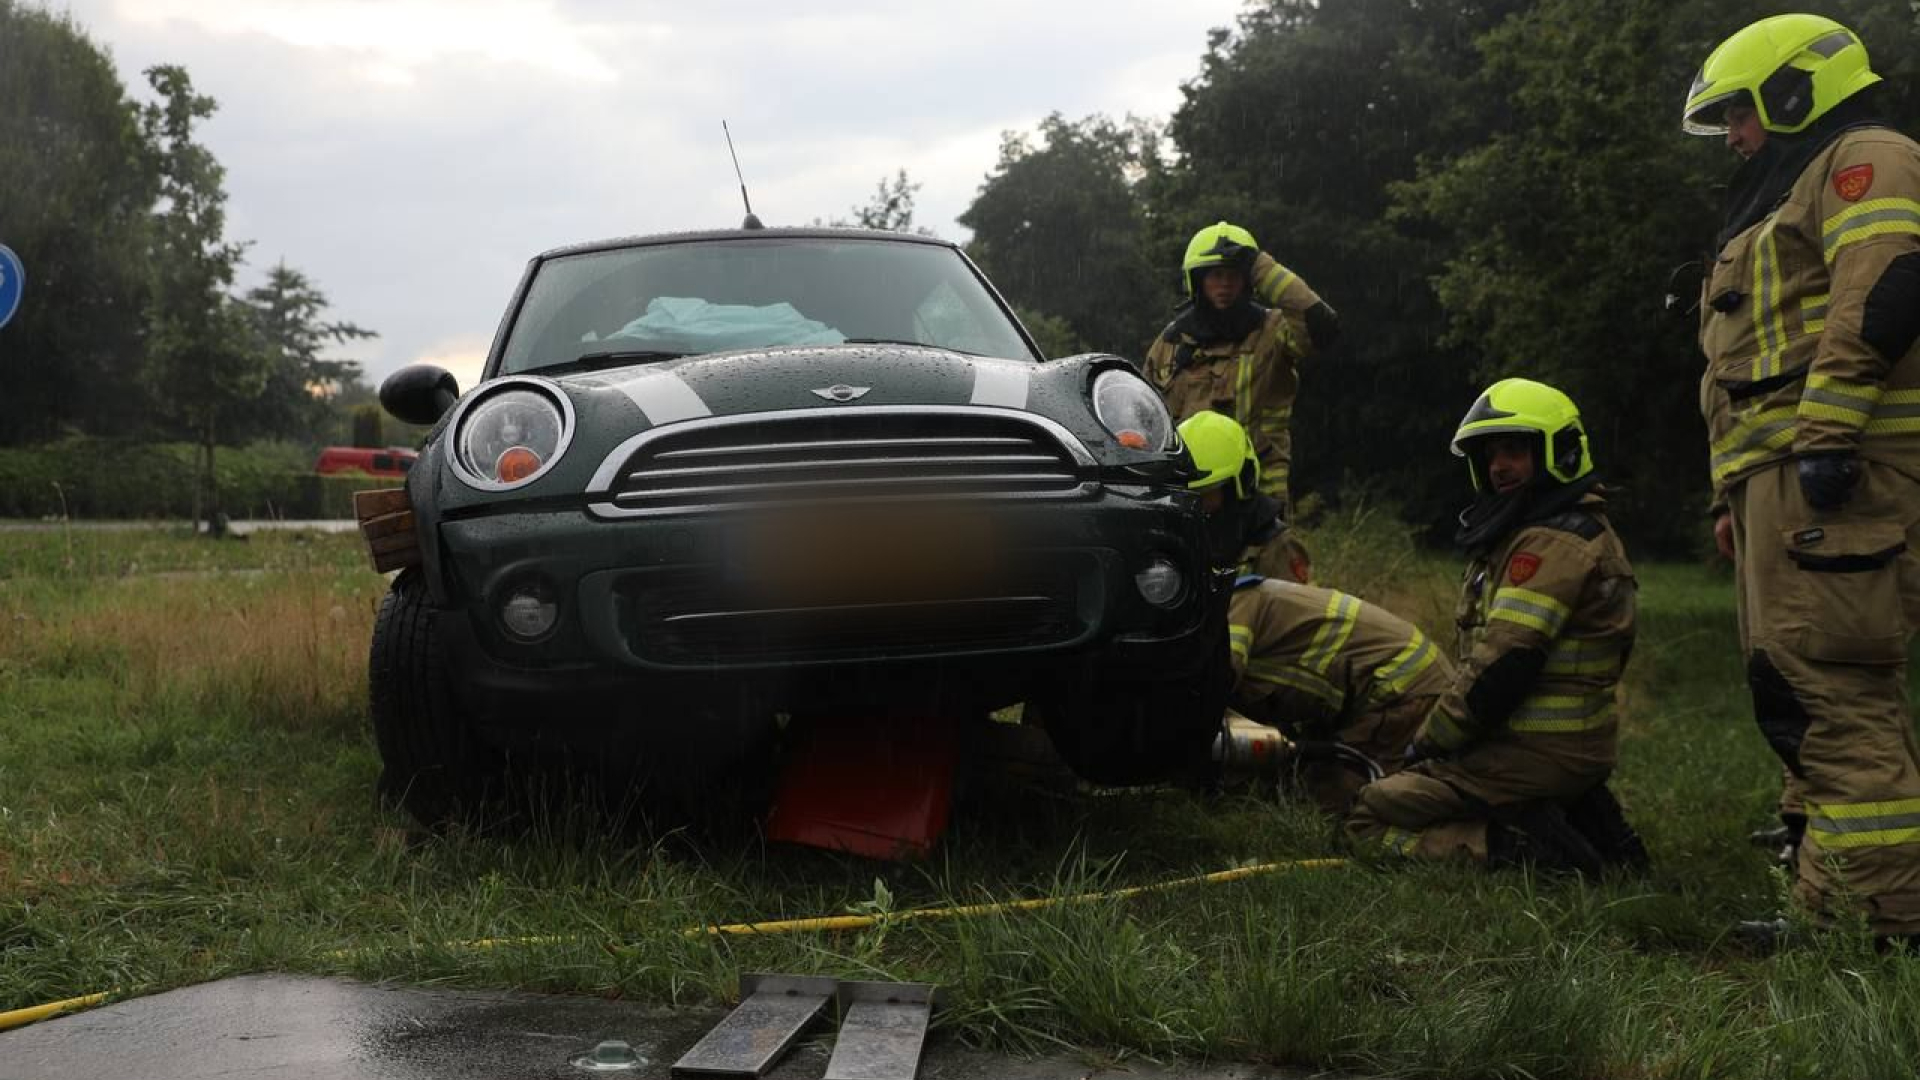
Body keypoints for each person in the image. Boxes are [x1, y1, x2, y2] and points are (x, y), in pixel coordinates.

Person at [1682, 14, 1920, 945]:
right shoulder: (1789, 190)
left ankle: (1881, 922)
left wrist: (1825, 434)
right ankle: (1827, 880)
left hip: (1835, 472)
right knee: (1794, 682)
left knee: (1832, 687)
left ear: (1794, 92)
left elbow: (1886, 287)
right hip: (1783, 477)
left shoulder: (1866, 158)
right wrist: (1732, 494)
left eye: (1740, 113)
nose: (1734, 137)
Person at [1345, 380, 1646, 874]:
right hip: (1566, 750)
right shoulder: (1568, 532)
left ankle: (1518, 849)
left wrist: (1428, 743)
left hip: (1530, 753)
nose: (1498, 466)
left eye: (1514, 450)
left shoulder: (1548, 545)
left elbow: (1502, 666)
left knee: (1369, 813)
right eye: (1490, 455)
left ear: (1559, 452)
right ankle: (1571, 821)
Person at [1180, 412, 1455, 814]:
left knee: (1330, 808)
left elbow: (1234, 668)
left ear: (1238, 488)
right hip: (1330, 696)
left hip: (1384, 691)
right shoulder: (1202, 552)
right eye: (1185, 496)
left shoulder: (1273, 550)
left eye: (1206, 495)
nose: (1196, 510)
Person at [1145, 222, 1319, 583]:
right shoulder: (1171, 343)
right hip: (1191, 494)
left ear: (1248, 280)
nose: (1224, 284)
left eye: (1234, 275)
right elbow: (1145, 418)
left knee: (1267, 595)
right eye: (1215, 275)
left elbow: (1321, 326)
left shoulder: (1273, 332)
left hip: (1257, 496)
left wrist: (1262, 266)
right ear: (1197, 281)